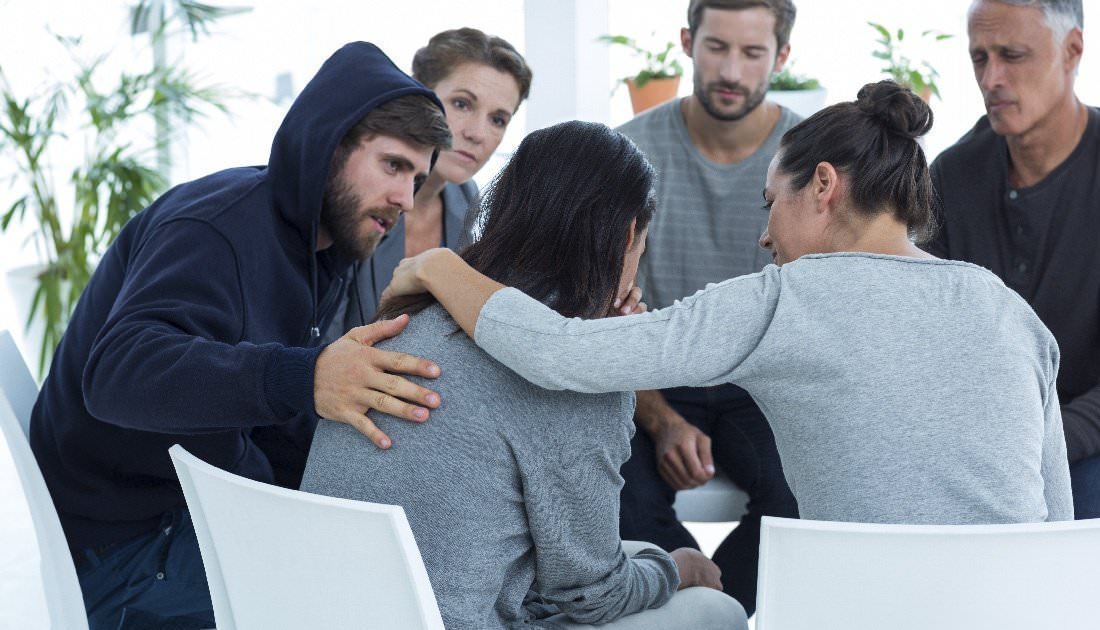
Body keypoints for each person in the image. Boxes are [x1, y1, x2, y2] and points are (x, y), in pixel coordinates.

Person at [384, 81, 1074, 532]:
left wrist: (438, 264)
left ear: (824, 185)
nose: (765, 234)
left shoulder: (786, 299)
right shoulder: (1008, 308)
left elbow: (560, 353)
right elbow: (1057, 514)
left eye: (773, 204)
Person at [29, 42, 452, 629]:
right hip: (122, 547)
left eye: (417, 178)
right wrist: (305, 377)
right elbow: (118, 374)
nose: (406, 199)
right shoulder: (217, 228)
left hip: (190, 512)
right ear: (328, 144)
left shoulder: (321, 247)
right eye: (392, 165)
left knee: (401, 563)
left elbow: (267, 412)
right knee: (365, 604)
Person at [301, 121, 748, 630]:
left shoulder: (411, 319)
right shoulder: (584, 371)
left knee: (638, 553)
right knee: (716, 609)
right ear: (628, 234)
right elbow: (590, 596)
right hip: (448, 618)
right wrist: (678, 568)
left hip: (323, 609)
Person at [612, 0, 800, 613]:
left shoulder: (810, 161)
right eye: (717, 47)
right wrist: (661, 419)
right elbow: (598, 317)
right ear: (688, 42)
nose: (731, 70)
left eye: (752, 53)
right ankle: (689, 608)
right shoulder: (628, 153)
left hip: (761, 382)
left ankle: (724, 611)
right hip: (651, 377)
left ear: (782, 57)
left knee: (800, 496)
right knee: (621, 505)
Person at [925, 0, 1099, 518]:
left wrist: (1043, 446)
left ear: (1072, 52)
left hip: (1086, 443)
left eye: (1012, 55)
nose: (991, 77)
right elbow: (927, 339)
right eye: (979, 58)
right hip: (983, 449)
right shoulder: (952, 175)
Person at [326, 27, 531, 336]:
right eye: (462, 104)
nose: (477, 133)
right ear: (419, 93)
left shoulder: (467, 202)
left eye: (498, 120)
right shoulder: (357, 188)